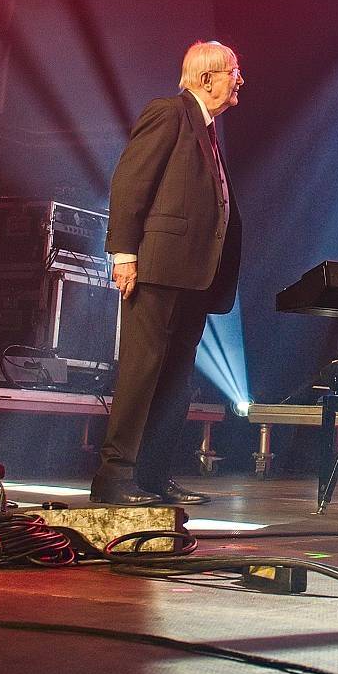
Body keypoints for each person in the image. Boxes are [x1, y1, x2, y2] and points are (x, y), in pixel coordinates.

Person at [91, 41, 243, 506]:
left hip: (194, 276)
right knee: (142, 372)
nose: (241, 80)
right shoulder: (169, 112)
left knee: (177, 378)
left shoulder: (209, 129)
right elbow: (130, 181)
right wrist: (123, 253)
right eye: (234, 71)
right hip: (158, 269)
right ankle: (115, 477)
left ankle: (153, 476)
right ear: (207, 77)